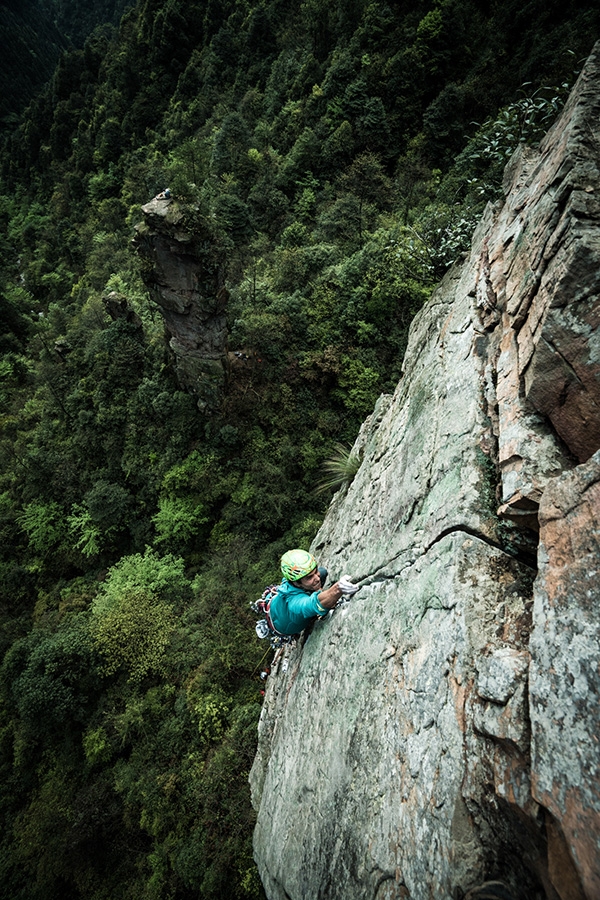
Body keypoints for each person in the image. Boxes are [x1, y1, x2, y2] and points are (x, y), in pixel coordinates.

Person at [269, 549, 359, 637]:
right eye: (309, 577)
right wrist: (338, 589)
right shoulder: (294, 604)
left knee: (323, 572)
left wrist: (318, 589)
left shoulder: (298, 581)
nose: (317, 578)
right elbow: (311, 604)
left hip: (277, 604)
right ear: (296, 583)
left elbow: (318, 575)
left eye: (315, 571)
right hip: (282, 624)